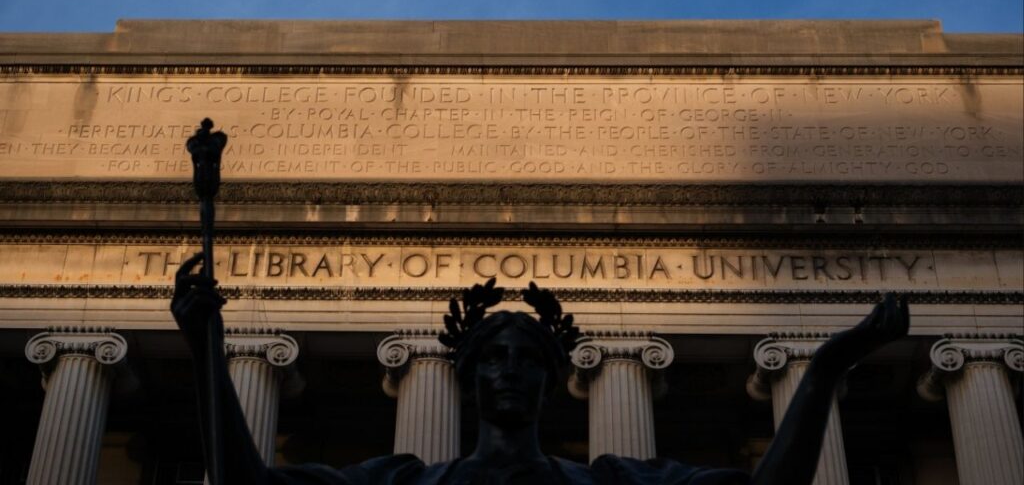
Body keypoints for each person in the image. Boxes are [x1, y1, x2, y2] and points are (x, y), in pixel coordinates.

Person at [172, 254, 910, 485]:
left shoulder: (615, 481)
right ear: (465, 376)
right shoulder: (400, 481)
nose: (510, 373)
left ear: (553, 379)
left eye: (528, 361)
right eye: (492, 358)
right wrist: (207, 347)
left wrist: (827, 368)